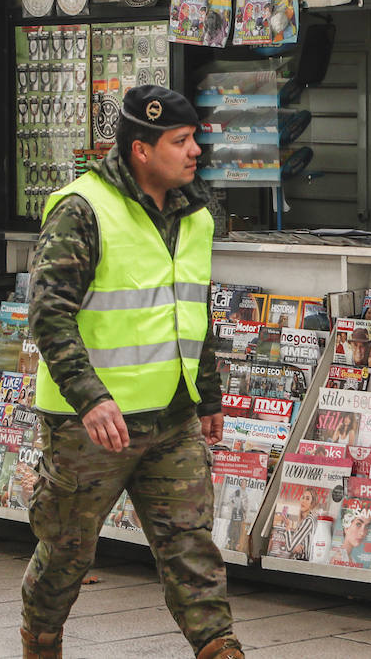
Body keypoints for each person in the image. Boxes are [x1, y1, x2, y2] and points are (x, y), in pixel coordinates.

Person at [21, 84, 243, 659]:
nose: (196, 151)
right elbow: (49, 314)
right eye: (181, 140)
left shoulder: (195, 212)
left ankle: (219, 647)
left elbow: (193, 309)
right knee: (67, 550)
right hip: (92, 423)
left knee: (191, 545)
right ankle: (40, 640)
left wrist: (209, 396)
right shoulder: (81, 208)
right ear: (141, 150)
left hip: (171, 414)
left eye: (195, 138)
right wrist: (90, 398)